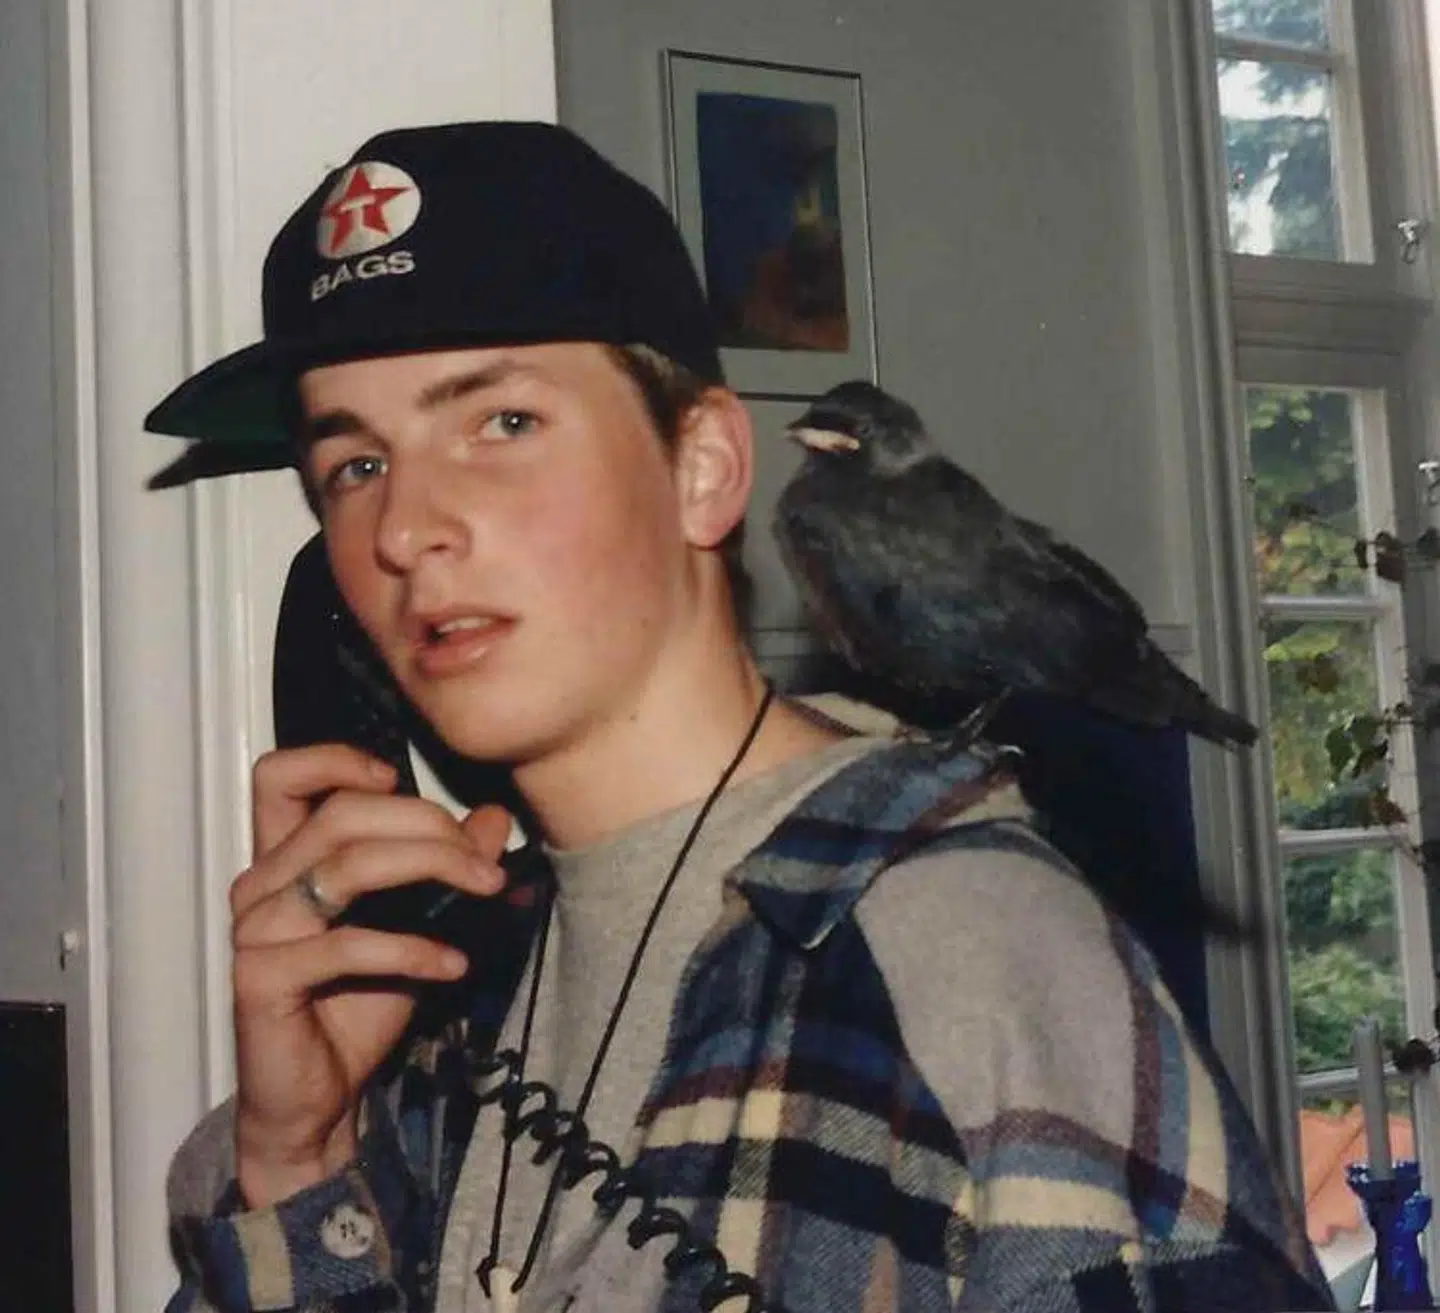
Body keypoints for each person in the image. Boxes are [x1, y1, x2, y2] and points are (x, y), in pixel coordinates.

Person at [147, 121, 1333, 1313]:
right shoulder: (441, 992)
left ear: (703, 466)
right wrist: (297, 1159)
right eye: (355, 466)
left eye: (502, 423)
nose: (403, 529)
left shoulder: (971, 960)